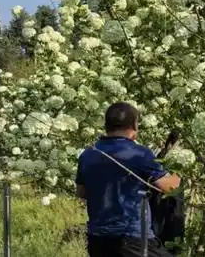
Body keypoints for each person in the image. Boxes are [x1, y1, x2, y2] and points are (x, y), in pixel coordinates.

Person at [75, 102, 181, 257]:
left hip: (97, 240)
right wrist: (179, 166)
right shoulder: (140, 154)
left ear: (106, 125)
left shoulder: (88, 155)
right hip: (132, 239)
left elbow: (81, 192)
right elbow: (171, 188)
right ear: (134, 125)